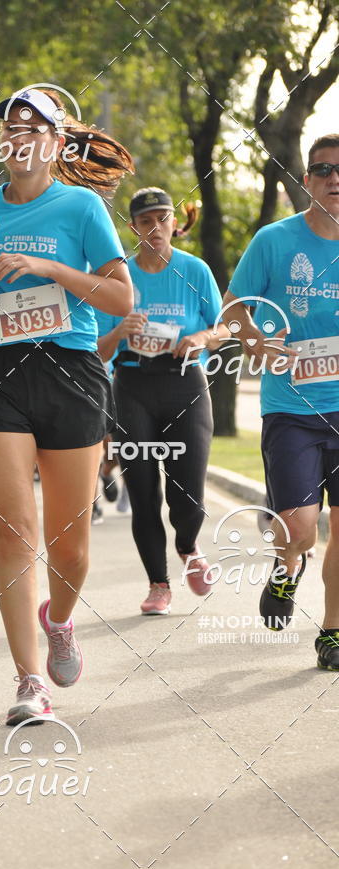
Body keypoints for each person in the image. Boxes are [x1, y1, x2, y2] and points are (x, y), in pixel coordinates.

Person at [0, 87, 134, 724]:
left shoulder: (82, 207)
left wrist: (53, 271)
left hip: (69, 371)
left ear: (56, 142)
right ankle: (28, 681)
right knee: (14, 532)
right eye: (9, 128)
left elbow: (120, 299)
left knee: (68, 547)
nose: (18, 137)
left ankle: (60, 621)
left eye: (32, 127)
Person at [222, 134, 339, 669]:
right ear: (307, 180)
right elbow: (233, 307)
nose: (335, 179)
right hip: (291, 408)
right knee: (298, 526)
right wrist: (253, 341)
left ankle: (332, 631)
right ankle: (286, 567)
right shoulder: (274, 240)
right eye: (324, 170)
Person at [97, 187, 226, 614]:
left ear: (174, 222)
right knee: (142, 489)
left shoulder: (195, 269)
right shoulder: (119, 277)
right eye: (146, 221)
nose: (155, 227)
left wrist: (202, 336)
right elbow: (96, 351)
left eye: (162, 218)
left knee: (188, 490)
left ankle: (188, 545)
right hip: (132, 386)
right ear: (133, 228)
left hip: (186, 384)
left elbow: (226, 326)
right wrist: (119, 331)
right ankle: (158, 584)